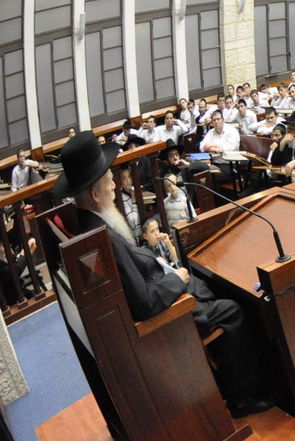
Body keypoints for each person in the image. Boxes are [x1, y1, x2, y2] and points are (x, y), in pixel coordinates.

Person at [55, 131, 272, 417]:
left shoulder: (89, 222)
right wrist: (176, 279)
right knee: (233, 308)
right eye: (110, 181)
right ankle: (242, 398)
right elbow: (144, 304)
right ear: (95, 194)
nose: (114, 187)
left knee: (215, 287)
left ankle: (228, 383)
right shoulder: (100, 239)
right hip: (166, 317)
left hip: (161, 288)